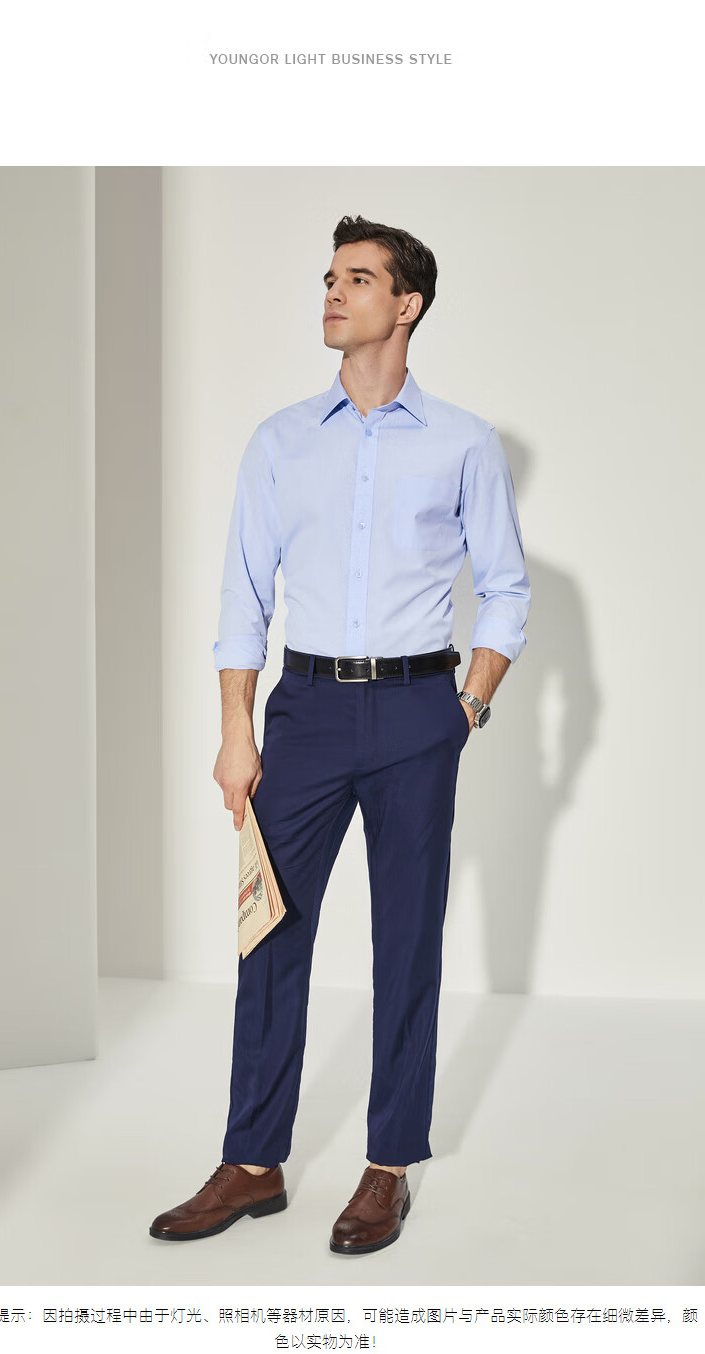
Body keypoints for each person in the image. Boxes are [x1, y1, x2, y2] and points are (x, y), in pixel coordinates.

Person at [150, 214, 530, 1255]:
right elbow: (242, 595)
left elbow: (505, 588)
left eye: (358, 278)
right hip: (307, 711)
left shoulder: (462, 442)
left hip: (417, 710)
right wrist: (236, 733)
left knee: (407, 942)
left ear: (407, 305)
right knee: (268, 931)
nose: (332, 291)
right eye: (330, 276)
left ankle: (388, 1164)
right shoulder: (280, 441)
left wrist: (467, 705)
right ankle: (252, 1161)